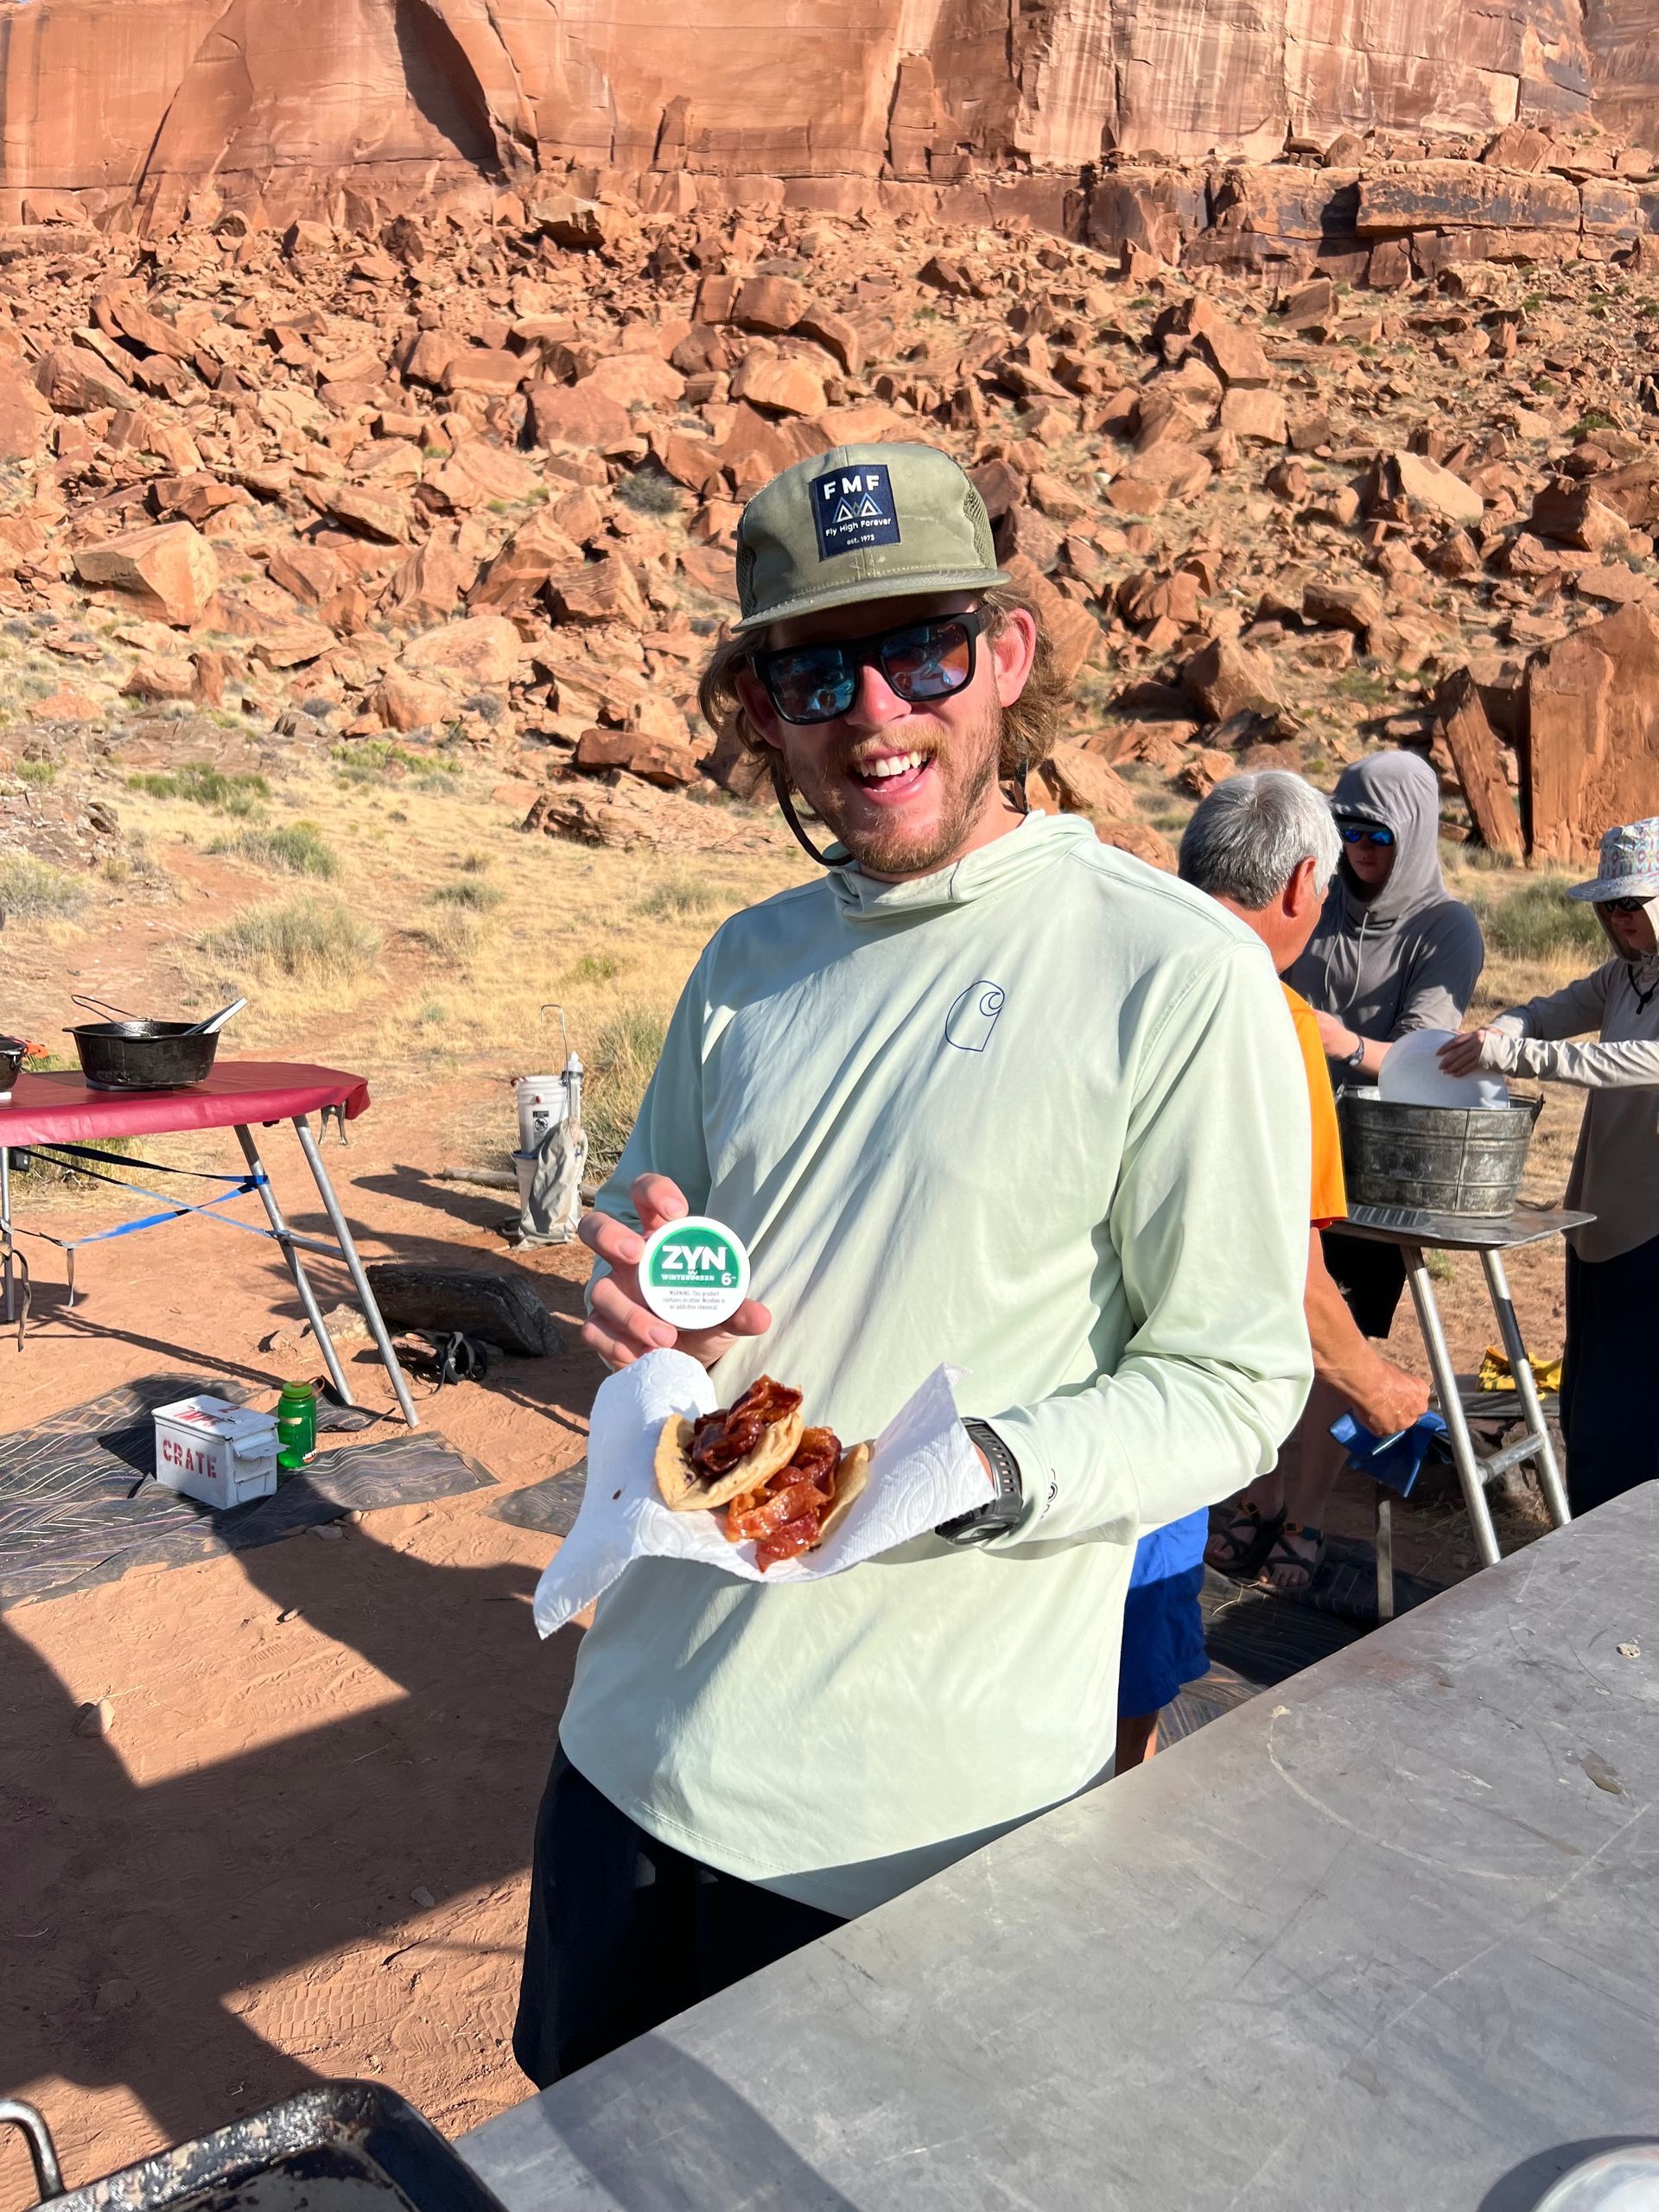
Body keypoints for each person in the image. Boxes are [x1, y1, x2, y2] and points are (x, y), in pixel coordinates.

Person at [512, 442, 1314, 2084]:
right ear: (762, 711)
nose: (873, 711)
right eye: (813, 668)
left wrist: (981, 1465)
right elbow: (670, 1244)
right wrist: (641, 1281)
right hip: (633, 1746)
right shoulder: (747, 962)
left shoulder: (1169, 971)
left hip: (916, 1824)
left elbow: (1238, 1377)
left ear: (1006, 657)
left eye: (922, 649)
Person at [1125, 774, 1427, 1635]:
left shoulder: (1101, 961)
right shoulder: (1272, 1014)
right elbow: (1284, 1261)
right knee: (1129, 1683)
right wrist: (1375, 1386)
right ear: (1301, 883)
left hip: (1027, 1393)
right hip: (1150, 1417)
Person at [1221, 749, 1483, 1589]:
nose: (1362, 849)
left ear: (1414, 835)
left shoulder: (1447, 928)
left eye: (1379, 834)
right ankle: (1258, 1501)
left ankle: (1304, 1521)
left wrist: (1341, 1043)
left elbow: (1428, 1053)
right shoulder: (1319, 902)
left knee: (1344, 1344)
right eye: (1348, 831)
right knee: (1266, 1329)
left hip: (1375, 1168)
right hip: (1282, 1149)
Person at [1440, 817, 1659, 1516]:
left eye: (1635, 904)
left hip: (1652, 1223)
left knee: (1638, 1393)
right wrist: (1507, 1026)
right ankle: (1591, 1527)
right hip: (1603, 1213)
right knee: (1595, 1383)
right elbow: (1549, 1010)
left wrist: (1519, 1054)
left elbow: (1628, 1064)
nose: (1621, 921)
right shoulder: (1627, 977)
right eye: (1611, 906)